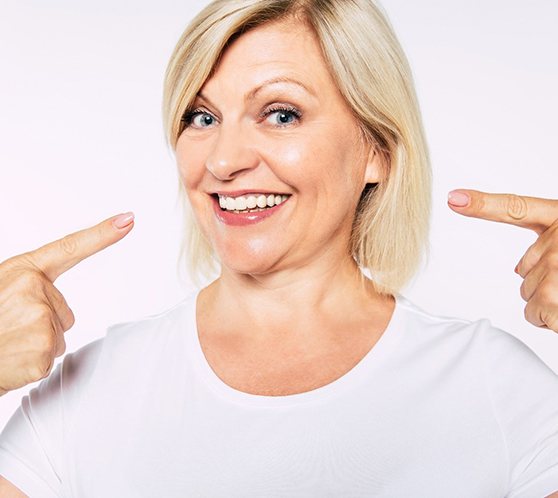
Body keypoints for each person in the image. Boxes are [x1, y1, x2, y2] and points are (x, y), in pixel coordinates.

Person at [0, 0, 557, 496]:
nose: (222, 161)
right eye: (202, 117)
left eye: (281, 113)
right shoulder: (89, 393)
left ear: (377, 150)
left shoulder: (492, 385)